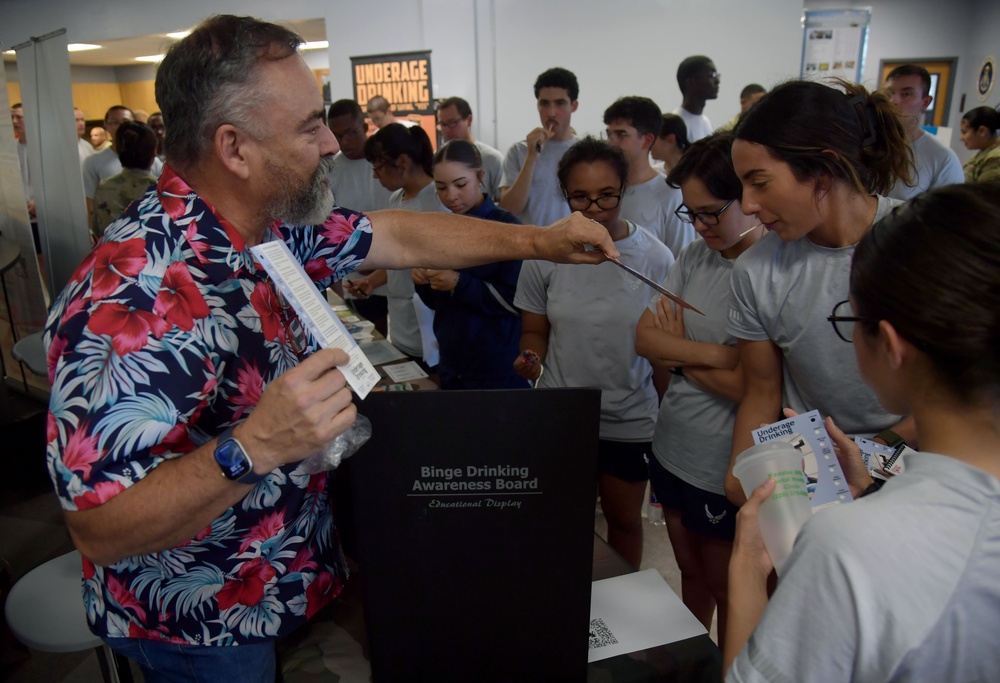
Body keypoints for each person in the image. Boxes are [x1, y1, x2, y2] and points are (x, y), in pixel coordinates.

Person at [43, 15, 615, 682]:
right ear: (235, 147)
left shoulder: (265, 226)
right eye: (309, 126)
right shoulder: (135, 293)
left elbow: (395, 235)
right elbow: (100, 525)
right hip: (205, 624)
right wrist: (254, 446)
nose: (329, 142)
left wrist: (537, 242)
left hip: (286, 574)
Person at [725, 183, 1000, 682]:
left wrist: (747, 567)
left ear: (890, 344)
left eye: (850, 318)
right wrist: (874, 487)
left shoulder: (847, 549)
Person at [725, 79, 916, 506]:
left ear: (822, 168)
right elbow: (761, 390)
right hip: (816, 474)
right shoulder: (756, 271)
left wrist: (876, 449)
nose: (748, 205)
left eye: (760, 182)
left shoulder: (920, 244)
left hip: (919, 468)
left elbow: (964, 388)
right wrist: (741, 473)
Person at [514, 137, 674, 568]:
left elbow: (663, 353)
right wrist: (530, 359)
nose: (595, 207)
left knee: (624, 520)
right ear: (564, 193)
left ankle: (620, 608)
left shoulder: (655, 258)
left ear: (625, 190)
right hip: (563, 413)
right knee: (563, 520)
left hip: (630, 416)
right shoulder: (543, 253)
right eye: (580, 196)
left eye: (607, 195)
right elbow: (534, 330)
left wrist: (669, 421)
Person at [635, 132, 764, 652]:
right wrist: (712, 353)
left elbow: (751, 385)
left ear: (748, 197)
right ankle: (691, 663)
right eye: (692, 214)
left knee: (728, 588)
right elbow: (645, 338)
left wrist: (680, 350)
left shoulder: (766, 270)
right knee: (688, 571)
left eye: (712, 212)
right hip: (673, 447)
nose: (702, 226)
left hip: (722, 464)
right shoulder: (693, 257)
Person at [412, 140, 528, 389]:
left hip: (497, 366)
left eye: (460, 185)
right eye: (441, 188)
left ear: (481, 177)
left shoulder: (506, 227)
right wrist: (422, 280)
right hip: (453, 363)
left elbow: (515, 301)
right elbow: (435, 302)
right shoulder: (441, 228)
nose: (451, 196)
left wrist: (458, 283)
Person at [362, 123, 444, 365]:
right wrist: (372, 281)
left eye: (378, 166)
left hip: (427, 321)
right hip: (398, 320)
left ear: (403, 162)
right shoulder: (395, 199)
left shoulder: (437, 202)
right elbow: (397, 258)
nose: (375, 174)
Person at [326, 99, 394, 335]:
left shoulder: (387, 164)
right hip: (352, 277)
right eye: (337, 136)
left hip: (394, 270)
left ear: (364, 126)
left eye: (351, 133)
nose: (345, 142)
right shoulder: (330, 172)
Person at [604, 95, 691, 257]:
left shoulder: (671, 194)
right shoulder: (603, 191)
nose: (612, 142)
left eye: (621, 134)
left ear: (646, 140)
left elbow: (681, 260)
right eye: (609, 134)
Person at [499, 67, 580, 225]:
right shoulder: (519, 151)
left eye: (560, 103)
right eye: (544, 104)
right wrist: (531, 157)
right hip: (530, 245)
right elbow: (509, 210)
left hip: (573, 245)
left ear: (574, 106)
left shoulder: (585, 151)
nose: (551, 112)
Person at [883, 64, 964, 199]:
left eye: (906, 94)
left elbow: (948, 216)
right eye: (889, 93)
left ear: (925, 102)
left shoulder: (943, 159)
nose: (893, 101)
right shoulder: (867, 146)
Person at [82, 105, 164, 221]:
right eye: (115, 122)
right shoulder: (92, 162)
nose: (122, 126)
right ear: (106, 126)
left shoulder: (152, 160)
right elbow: (91, 205)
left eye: (126, 122)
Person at [90, 121, 158, 239]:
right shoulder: (164, 189)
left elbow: (97, 229)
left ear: (118, 151)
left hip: (113, 255)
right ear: (153, 152)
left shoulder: (104, 188)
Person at [435, 96, 504, 200]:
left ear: (469, 120)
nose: (447, 129)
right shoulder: (437, 159)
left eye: (453, 123)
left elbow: (502, 202)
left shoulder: (492, 158)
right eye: (443, 125)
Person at [673, 56, 720, 142]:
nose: (717, 81)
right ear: (691, 82)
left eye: (717, 75)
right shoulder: (676, 124)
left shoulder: (706, 123)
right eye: (712, 75)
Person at [959, 105, 1000, 183]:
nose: (961, 138)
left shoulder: (994, 158)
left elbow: (984, 193)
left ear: (982, 131)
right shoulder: (984, 153)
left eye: (964, 132)